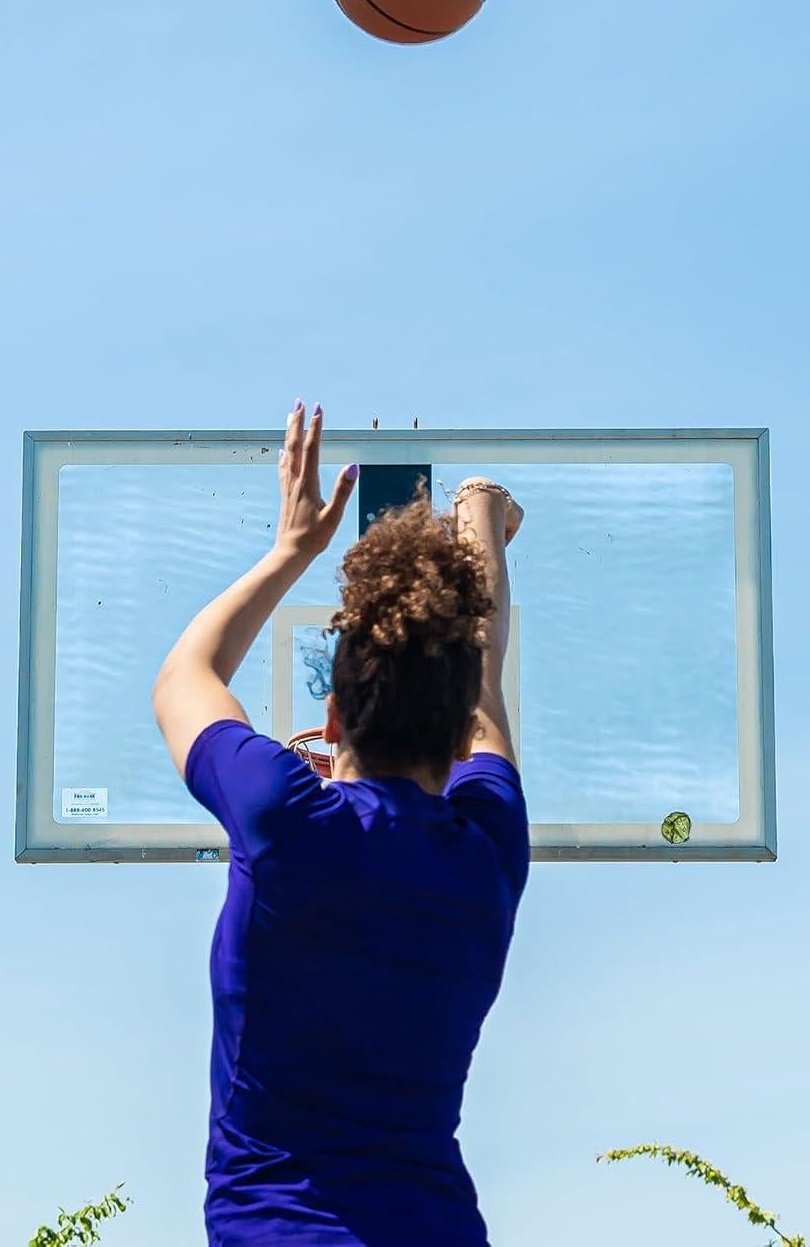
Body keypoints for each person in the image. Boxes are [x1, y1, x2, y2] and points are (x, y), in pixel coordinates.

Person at [152, 401, 529, 1246]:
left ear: (329, 718)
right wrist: (482, 533)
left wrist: (292, 549)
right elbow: (487, 695)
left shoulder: (284, 815)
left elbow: (187, 675)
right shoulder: (488, 847)